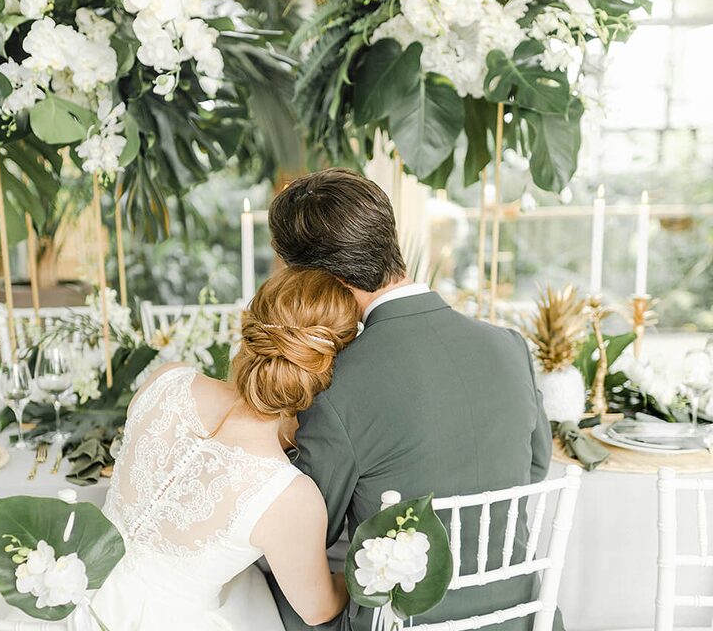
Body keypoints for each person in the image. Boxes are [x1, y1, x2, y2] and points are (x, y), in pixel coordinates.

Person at [267, 167, 555, 631]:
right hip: (519, 616)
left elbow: (310, 530)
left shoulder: (335, 387)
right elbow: (536, 470)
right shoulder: (509, 346)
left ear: (316, 278)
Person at [91, 267, 361, 630]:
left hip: (76, 587)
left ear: (250, 325)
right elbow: (317, 609)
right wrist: (360, 577)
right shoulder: (290, 496)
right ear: (327, 370)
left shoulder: (165, 381)